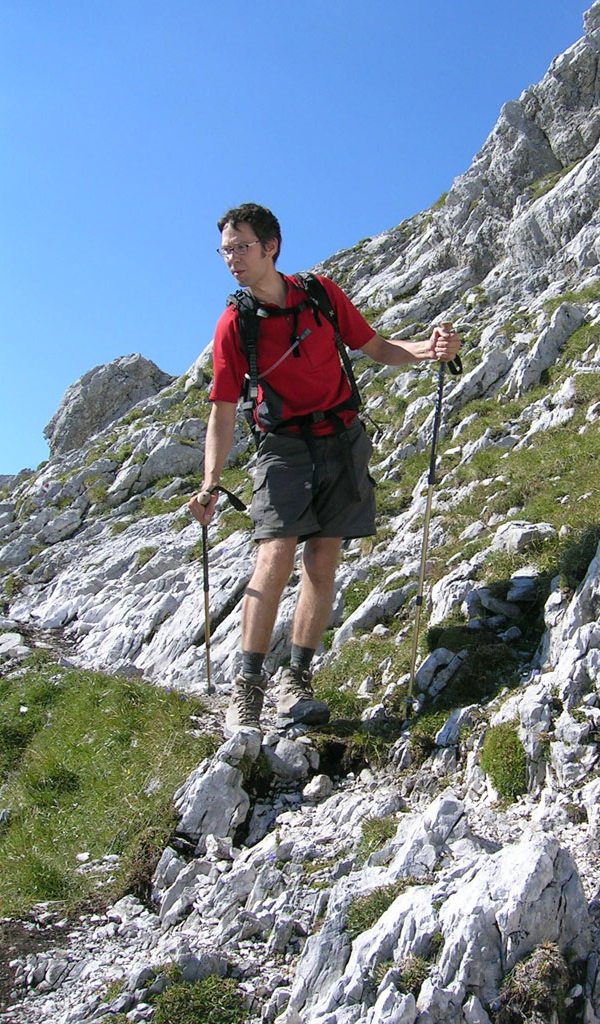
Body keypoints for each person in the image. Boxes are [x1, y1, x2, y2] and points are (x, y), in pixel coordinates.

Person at [188, 203, 460, 736]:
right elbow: (221, 408)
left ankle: (298, 680)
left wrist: (428, 350)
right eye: (225, 250)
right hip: (283, 446)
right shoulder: (234, 323)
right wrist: (210, 481)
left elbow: (375, 346)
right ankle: (247, 688)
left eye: (241, 247)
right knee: (275, 550)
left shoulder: (319, 293)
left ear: (271, 247)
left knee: (323, 556)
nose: (232, 259)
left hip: (341, 437)